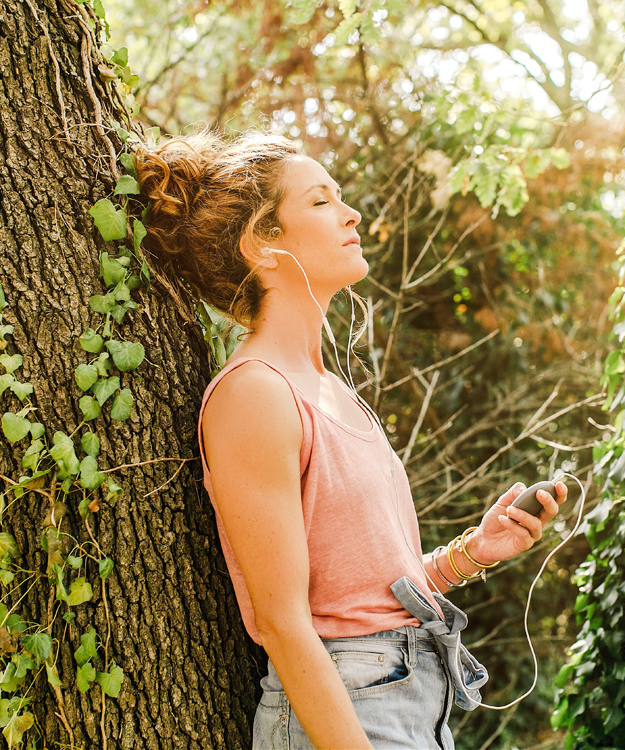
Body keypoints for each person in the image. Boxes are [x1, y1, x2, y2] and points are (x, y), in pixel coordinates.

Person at [134, 128, 567, 750]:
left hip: (412, 700)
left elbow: (360, 594)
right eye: (319, 200)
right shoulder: (254, 394)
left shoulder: (331, 390)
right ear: (262, 242)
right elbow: (285, 625)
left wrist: (477, 550)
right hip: (345, 714)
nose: (351, 212)